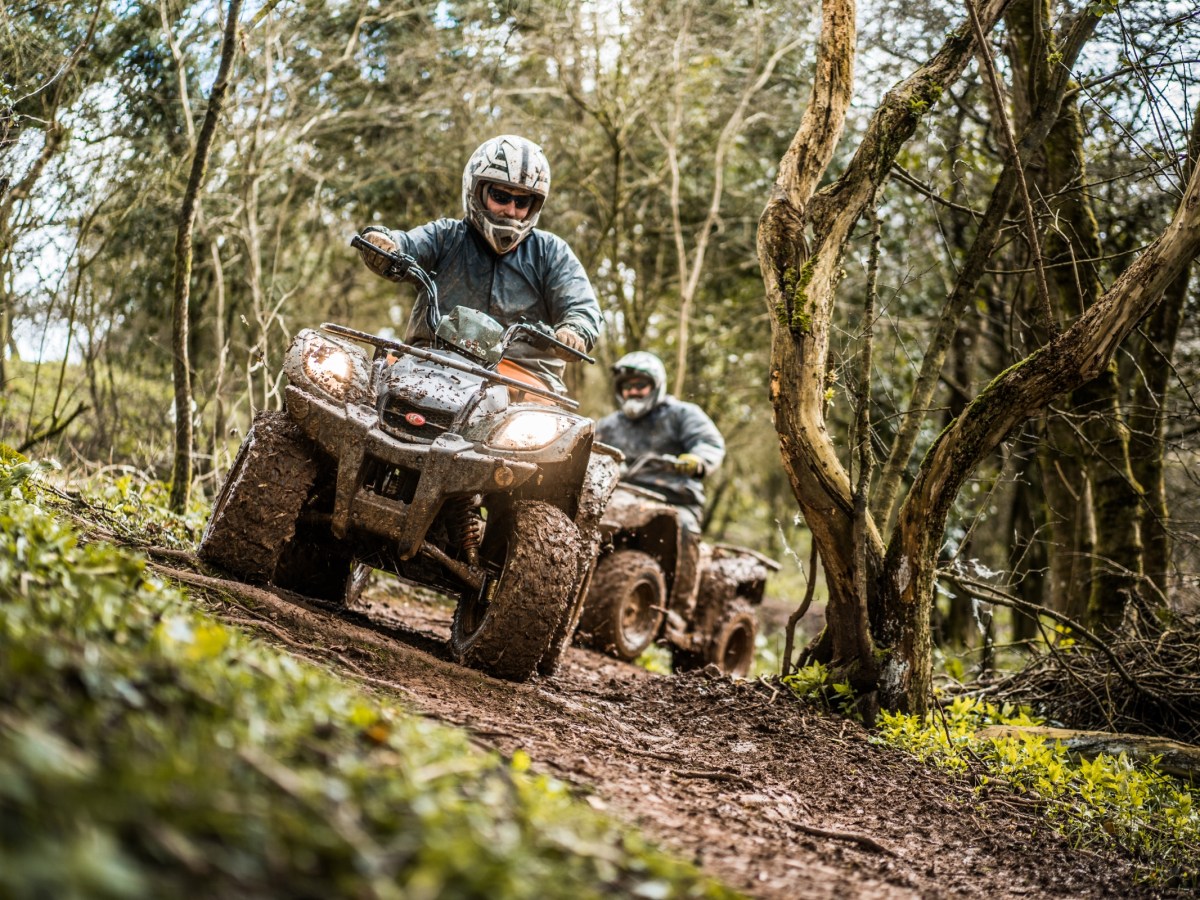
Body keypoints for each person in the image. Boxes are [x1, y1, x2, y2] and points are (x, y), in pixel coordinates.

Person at [356, 134, 602, 393]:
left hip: (523, 381)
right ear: (477, 190)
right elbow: (406, 244)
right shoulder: (446, 236)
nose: (510, 210)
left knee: (549, 418)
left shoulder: (551, 253)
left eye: (522, 201)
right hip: (430, 362)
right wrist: (383, 242)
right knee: (364, 388)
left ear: (535, 205)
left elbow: (582, 307)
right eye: (501, 196)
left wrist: (574, 331)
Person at [596, 351, 725, 533]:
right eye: (627, 386)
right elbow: (590, 451)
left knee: (682, 527)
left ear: (656, 385)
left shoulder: (682, 414)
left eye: (640, 385)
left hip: (673, 499)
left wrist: (698, 460)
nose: (633, 391)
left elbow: (709, 442)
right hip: (618, 495)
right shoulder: (608, 424)